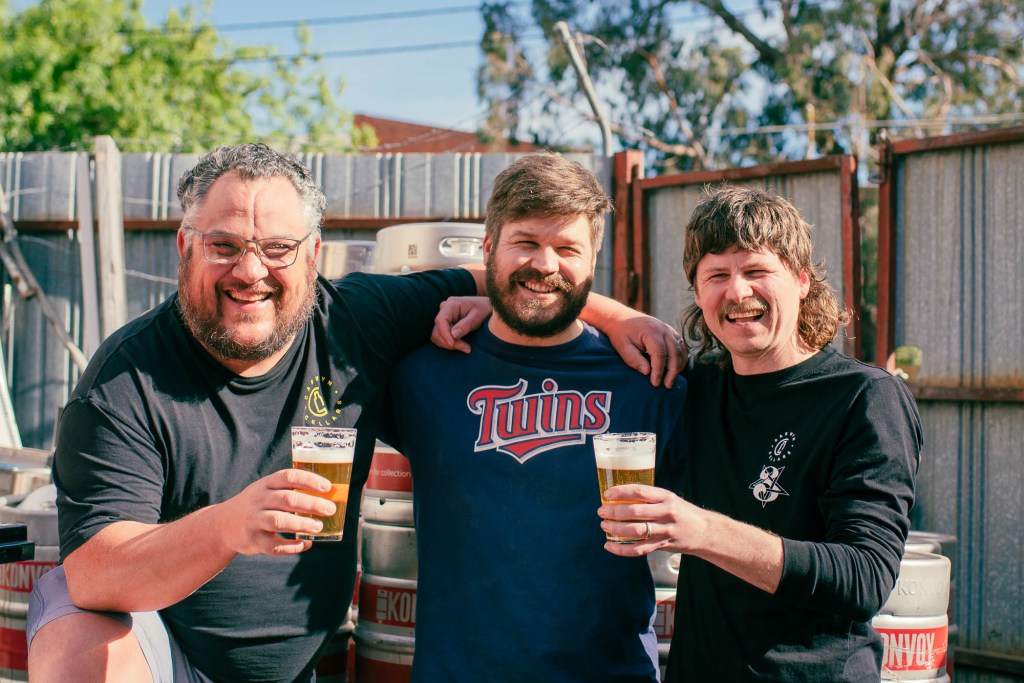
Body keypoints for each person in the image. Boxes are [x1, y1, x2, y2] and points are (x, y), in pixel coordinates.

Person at [26, 143, 683, 683]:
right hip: (166, 653)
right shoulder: (126, 377)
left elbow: (509, 275)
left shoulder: (353, 321)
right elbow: (94, 570)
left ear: (314, 257)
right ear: (184, 247)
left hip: (300, 665)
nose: (249, 270)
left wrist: (617, 316)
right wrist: (227, 527)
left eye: (277, 248)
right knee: (76, 641)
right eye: (223, 245)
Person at [380, 153, 688, 682]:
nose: (545, 264)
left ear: (594, 261)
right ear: (488, 250)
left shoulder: (649, 380)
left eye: (567, 248)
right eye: (526, 242)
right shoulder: (422, 375)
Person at [598, 186, 922, 681]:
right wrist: (616, 315)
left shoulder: (864, 398)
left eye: (756, 271)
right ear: (698, 292)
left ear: (801, 280)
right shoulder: (695, 388)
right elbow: (555, 298)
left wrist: (703, 531)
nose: (737, 292)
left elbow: (864, 578)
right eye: (717, 276)